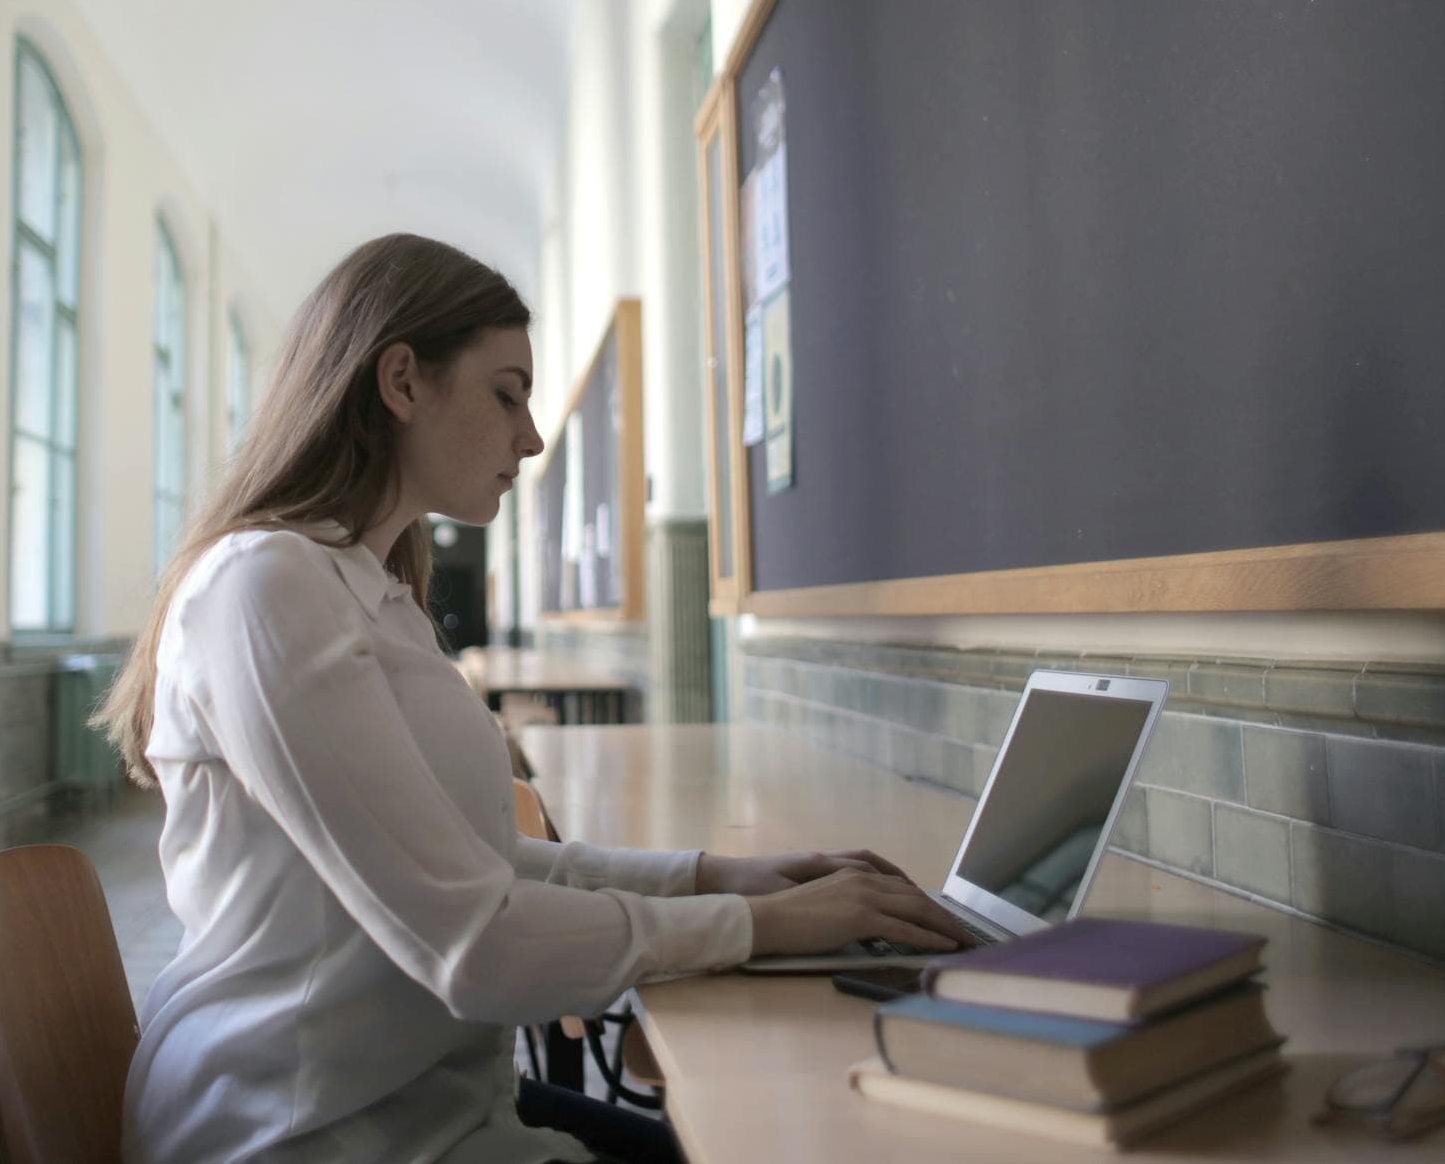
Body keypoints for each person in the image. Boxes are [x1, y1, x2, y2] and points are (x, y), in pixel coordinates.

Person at [98, 234, 974, 1164]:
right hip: (297, 1131)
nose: (533, 435)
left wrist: (716, 877)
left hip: (427, 1112)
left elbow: (478, 865)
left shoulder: (369, 593)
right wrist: (766, 925)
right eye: (506, 393)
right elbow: (475, 945)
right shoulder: (263, 589)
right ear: (401, 382)